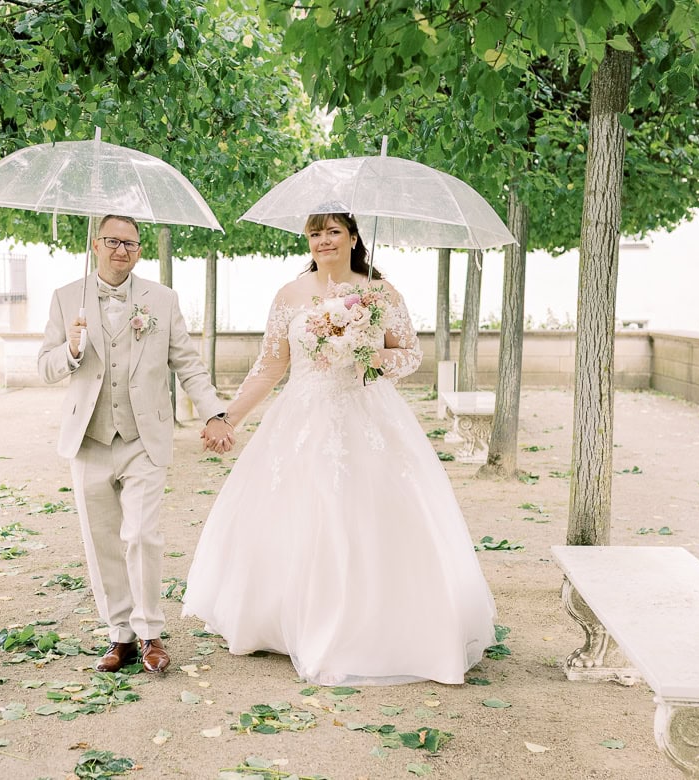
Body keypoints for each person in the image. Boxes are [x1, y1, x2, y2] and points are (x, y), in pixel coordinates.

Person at [182, 212, 497, 686]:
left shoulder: (380, 292)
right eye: (315, 233)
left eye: (333, 231)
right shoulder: (290, 295)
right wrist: (229, 417)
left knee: (370, 518)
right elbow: (270, 367)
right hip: (302, 419)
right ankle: (292, 620)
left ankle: (374, 625)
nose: (324, 241)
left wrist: (371, 358)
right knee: (301, 515)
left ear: (353, 237)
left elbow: (410, 354)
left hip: (367, 415)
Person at [38, 214, 234, 675]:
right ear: (95, 244)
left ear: (140, 250)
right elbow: (43, 367)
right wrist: (69, 348)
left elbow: (187, 363)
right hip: (88, 438)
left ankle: (150, 633)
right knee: (101, 539)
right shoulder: (67, 298)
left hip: (144, 437)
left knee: (141, 534)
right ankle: (119, 635)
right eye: (112, 241)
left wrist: (214, 412)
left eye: (131, 243)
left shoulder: (161, 300)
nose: (121, 250)